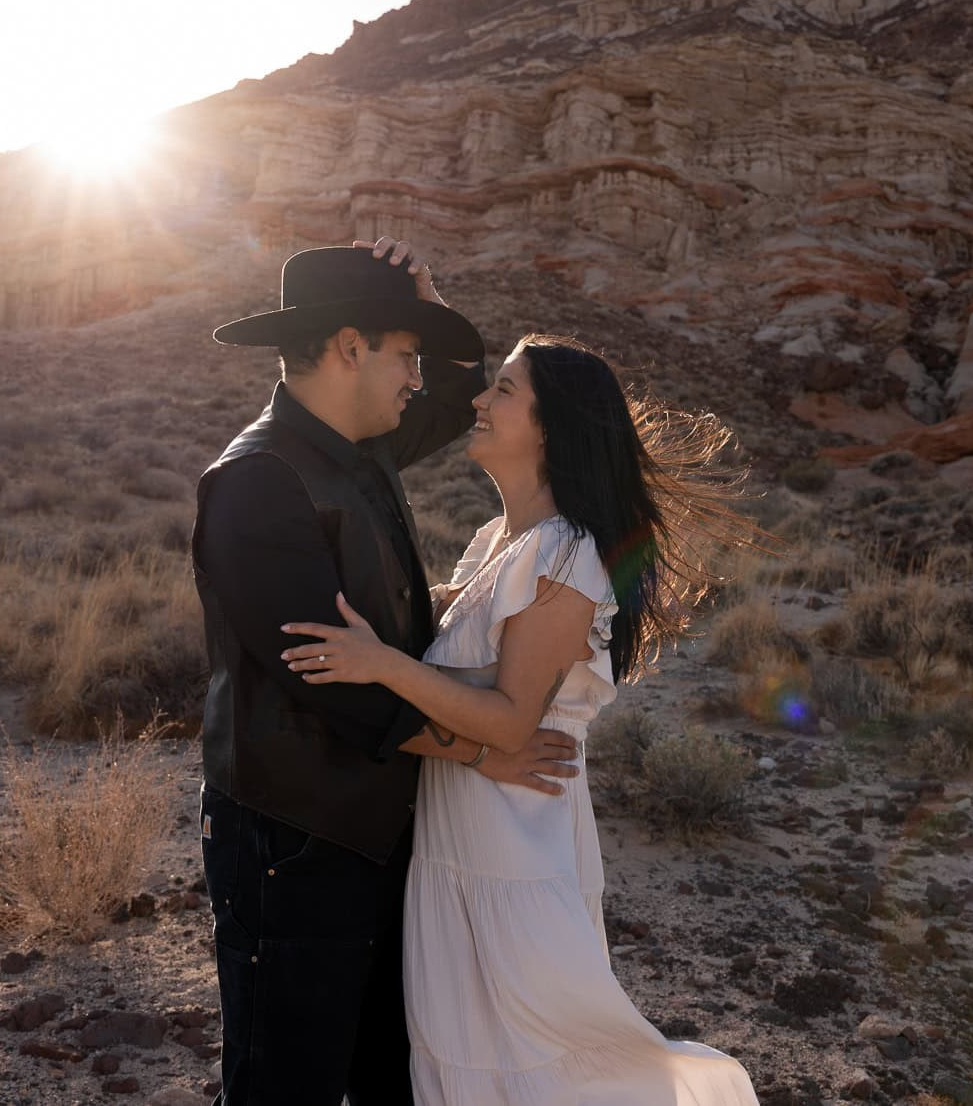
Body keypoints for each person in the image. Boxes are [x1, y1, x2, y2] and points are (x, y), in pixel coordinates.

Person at [283, 335, 763, 1104]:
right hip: (462, 839)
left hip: (512, 846)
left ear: (548, 427)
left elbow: (510, 722)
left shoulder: (567, 552)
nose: (478, 401)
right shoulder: (496, 544)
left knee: (533, 1058)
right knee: (467, 1052)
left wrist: (383, 664)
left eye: (501, 389)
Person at [193, 241, 585, 1106]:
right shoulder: (259, 480)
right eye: (404, 354)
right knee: (283, 1086)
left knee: (390, 1078)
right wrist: (484, 749)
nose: (419, 378)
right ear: (347, 348)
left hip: (376, 831)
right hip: (292, 844)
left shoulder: (359, 448)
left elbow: (458, 402)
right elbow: (337, 686)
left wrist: (429, 310)